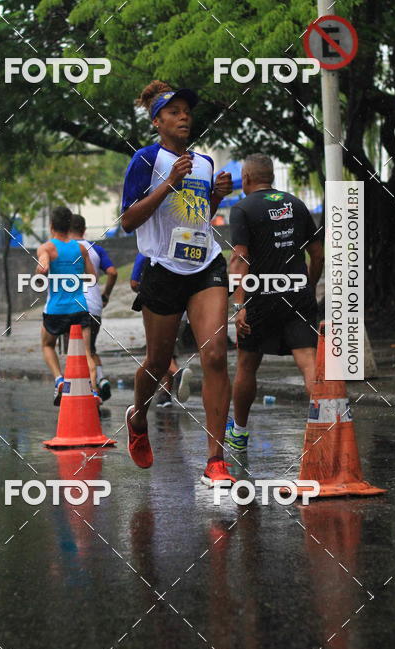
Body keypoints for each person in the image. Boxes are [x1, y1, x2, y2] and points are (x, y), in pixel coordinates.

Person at [121, 80, 234, 486]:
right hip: (163, 269)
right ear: (157, 122)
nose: (184, 116)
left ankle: (216, 461)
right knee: (156, 361)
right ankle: (138, 416)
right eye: (174, 111)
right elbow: (128, 220)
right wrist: (168, 183)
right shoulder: (145, 160)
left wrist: (217, 196)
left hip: (205, 265)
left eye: (187, 110)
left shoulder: (202, 162)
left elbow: (197, 218)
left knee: (216, 354)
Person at [226, 154, 324, 450]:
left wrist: (238, 305)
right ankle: (325, 428)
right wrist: (309, 285)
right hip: (298, 294)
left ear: (245, 178)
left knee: (246, 365)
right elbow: (317, 254)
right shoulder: (296, 203)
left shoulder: (242, 208)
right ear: (271, 177)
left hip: (260, 297)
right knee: (308, 363)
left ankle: (240, 433)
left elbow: (239, 258)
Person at [37, 206, 98, 405]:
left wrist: (42, 270)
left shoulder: (47, 248)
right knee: (86, 353)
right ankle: (94, 392)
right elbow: (92, 277)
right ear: (69, 225)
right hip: (80, 307)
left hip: (56, 310)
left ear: (51, 225)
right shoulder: (81, 249)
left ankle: (59, 379)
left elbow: (43, 266)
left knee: (47, 344)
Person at [130, 252, 192, 408]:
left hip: (159, 309)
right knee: (170, 352)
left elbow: (133, 282)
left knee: (158, 353)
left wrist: (146, 288)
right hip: (183, 312)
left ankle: (177, 374)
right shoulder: (183, 248)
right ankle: (166, 394)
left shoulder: (147, 250)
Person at [68, 214, 117, 401]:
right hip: (95, 305)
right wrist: (106, 295)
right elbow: (112, 272)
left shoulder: (63, 249)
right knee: (91, 348)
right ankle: (101, 378)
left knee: (78, 352)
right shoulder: (96, 249)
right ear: (84, 230)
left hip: (73, 306)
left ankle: (91, 395)